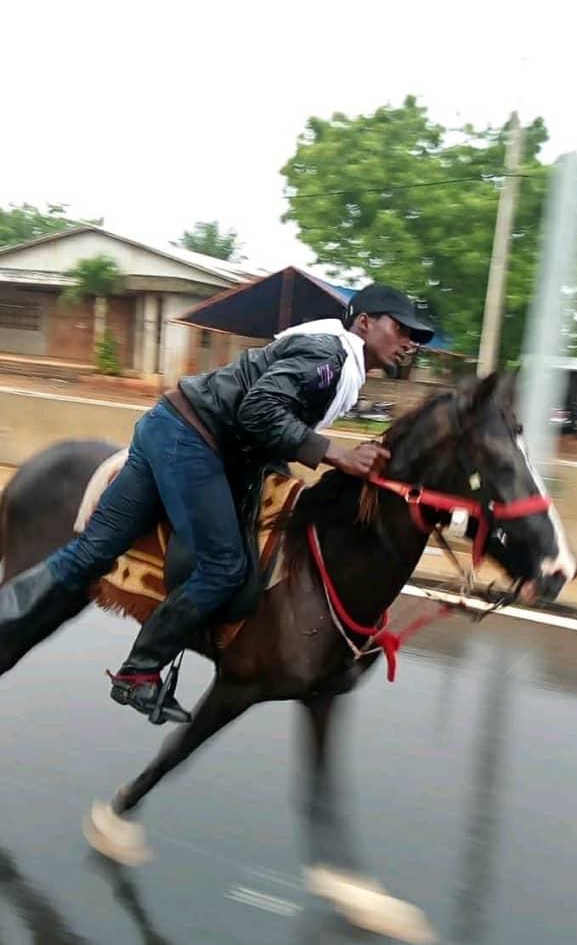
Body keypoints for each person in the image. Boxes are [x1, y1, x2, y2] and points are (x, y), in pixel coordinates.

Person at [0, 283, 433, 723]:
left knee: (91, 553)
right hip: (191, 441)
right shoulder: (329, 359)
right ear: (364, 322)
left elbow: (269, 423)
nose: (409, 343)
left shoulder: (335, 357)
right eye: (401, 329)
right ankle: (139, 673)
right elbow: (259, 410)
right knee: (225, 566)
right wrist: (336, 454)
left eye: (414, 336)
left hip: (167, 423)